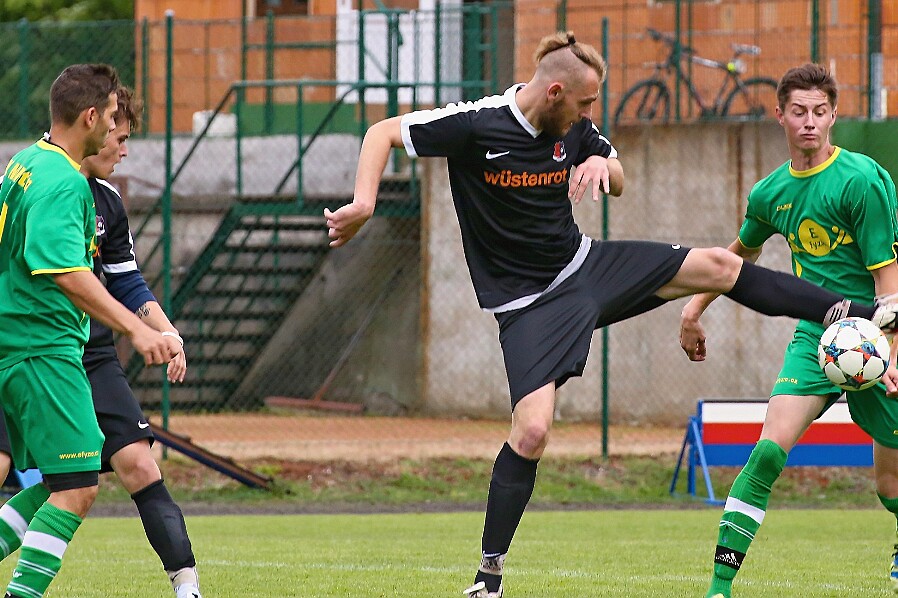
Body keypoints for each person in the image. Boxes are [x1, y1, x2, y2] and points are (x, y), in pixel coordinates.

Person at [325, 33, 898, 598]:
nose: (590, 113)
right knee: (532, 431)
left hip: (587, 267)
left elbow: (617, 176)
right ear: (554, 93)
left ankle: (875, 314)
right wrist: (366, 202)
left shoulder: (573, 126)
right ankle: (488, 576)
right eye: (585, 103)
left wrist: (603, 163)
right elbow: (382, 132)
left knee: (721, 264)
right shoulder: (477, 124)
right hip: (528, 304)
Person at [680, 63, 898, 598]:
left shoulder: (861, 180)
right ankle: (719, 587)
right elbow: (738, 258)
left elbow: (887, 278)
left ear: (834, 116)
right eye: (798, 112)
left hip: (875, 340)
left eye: (820, 112)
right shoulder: (769, 193)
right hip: (815, 341)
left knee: (891, 488)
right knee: (768, 453)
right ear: (779, 115)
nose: (809, 123)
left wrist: (892, 349)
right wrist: (693, 308)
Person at [0, 64, 180, 598]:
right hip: (44, 349)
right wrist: (136, 329)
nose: (115, 127)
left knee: (69, 476)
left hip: (25, 345)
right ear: (90, 116)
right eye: (111, 116)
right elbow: (65, 272)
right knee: (77, 488)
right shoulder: (64, 184)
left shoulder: (27, 162)